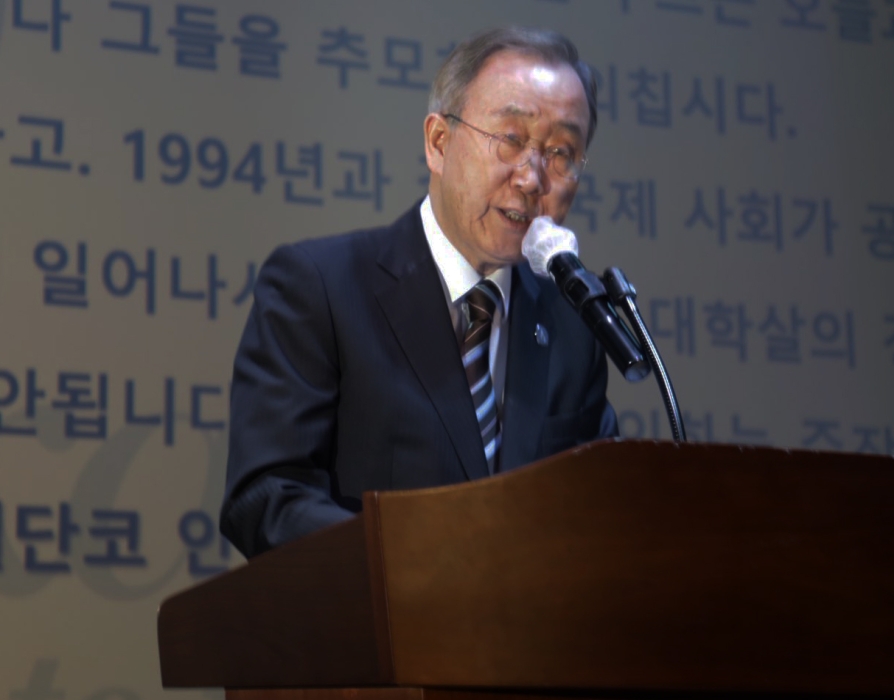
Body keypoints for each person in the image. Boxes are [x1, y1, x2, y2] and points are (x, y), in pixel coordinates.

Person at [219, 26, 618, 558]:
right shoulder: (320, 288)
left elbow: (603, 511)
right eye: (511, 139)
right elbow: (266, 497)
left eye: (562, 152)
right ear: (438, 142)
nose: (533, 176)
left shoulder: (575, 328)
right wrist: (421, 568)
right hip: (372, 630)